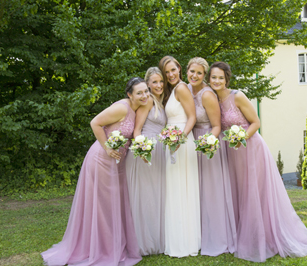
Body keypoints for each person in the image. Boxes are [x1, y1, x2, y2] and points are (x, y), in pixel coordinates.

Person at [207, 62, 307, 262]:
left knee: (255, 193)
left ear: (227, 79)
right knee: (240, 192)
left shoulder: (237, 96)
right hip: (232, 154)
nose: (217, 81)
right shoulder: (213, 100)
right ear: (209, 79)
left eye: (220, 77)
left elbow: (256, 123)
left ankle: (262, 239)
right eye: (213, 77)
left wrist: (240, 138)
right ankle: (244, 236)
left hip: (251, 149)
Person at [41, 77, 149, 266]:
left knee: (113, 206)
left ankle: (111, 246)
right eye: (139, 92)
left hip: (117, 163)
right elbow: (95, 122)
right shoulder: (122, 107)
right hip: (101, 159)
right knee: (103, 207)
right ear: (129, 94)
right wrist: (107, 148)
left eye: (146, 91)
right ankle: (100, 249)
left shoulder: (136, 109)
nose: (145, 95)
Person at [186, 57, 236, 256]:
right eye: (192, 72)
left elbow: (217, 126)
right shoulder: (186, 89)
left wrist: (207, 143)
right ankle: (197, 235)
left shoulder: (207, 94)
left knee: (211, 191)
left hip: (208, 141)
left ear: (204, 75)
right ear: (187, 71)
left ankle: (217, 237)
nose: (195, 76)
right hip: (191, 141)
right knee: (197, 190)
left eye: (199, 73)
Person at [158, 55, 200, 257]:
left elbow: (191, 117)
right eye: (167, 72)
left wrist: (179, 139)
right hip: (172, 140)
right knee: (174, 188)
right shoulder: (172, 91)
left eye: (173, 70)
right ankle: (176, 235)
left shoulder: (182, 88)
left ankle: (186, 239)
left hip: (182, 141)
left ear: (179, 69)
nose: (171, 74)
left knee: (182, 187)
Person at [125, 67, 167, 255]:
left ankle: (155, 239)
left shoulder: (160, 101)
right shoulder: (148, 100)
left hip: (159, 151)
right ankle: (142, 243)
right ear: (147, 85)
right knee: (145, 197)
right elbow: (137, 129)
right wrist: (142, 148)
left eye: (161, 82)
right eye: (154, 83)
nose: (158, 85)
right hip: (146, 152)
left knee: (154, 196)